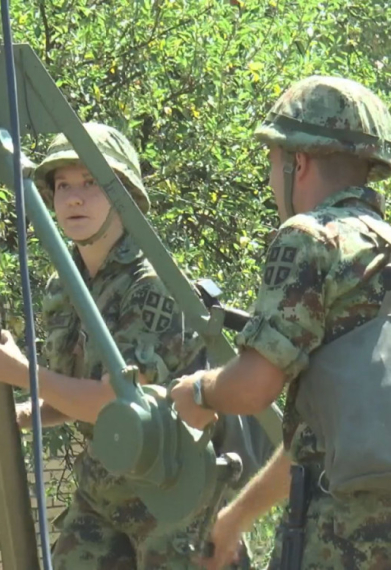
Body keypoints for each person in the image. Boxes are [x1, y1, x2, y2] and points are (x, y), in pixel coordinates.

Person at [0, 122, 271, 569]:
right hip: (106, 486)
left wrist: (18, 372)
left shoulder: (154, 284)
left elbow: (115, 401)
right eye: (63, 185)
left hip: (174, 491)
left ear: (126, 195)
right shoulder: (65, 283)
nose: (74, 197)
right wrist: (22, 413)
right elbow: (73, 393)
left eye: (91, 183)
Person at [170, 75, 391, 569]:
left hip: (340, 540)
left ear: (299, 162)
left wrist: (199, 391)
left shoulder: (311, 237)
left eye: (274, 163)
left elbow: (253, 389)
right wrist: (235, 519)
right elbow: (325, 434)